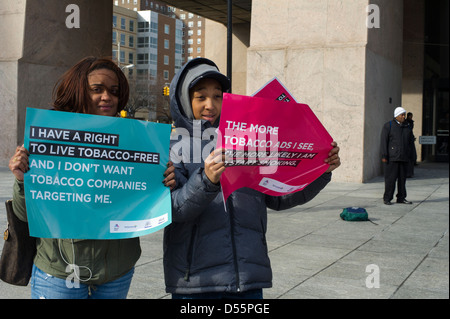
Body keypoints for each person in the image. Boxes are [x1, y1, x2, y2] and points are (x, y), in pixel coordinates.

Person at [164, 58, 341, 299]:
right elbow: (173, 209)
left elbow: (279, 197)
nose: (210, 105)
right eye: (201, 97)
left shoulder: (247, 139)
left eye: (218, 96)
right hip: (196, 283)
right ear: (185, 99)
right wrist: (206, 180)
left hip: (247, 280)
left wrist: (320, 171)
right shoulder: (173, 147)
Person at [8, 56, 175, 299]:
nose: (107, 97)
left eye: (114, 91)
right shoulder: (47, 139)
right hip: (59, 273)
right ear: (78, 91)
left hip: (116, 273)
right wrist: (22, 181)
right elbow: (25, 216)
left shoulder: (137, 141)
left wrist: (164, 182)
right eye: (96, 90)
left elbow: (144, 203)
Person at [380, 107, 415, 205]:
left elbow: (410, 142)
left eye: (404, 114)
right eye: (402, 115)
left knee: (402, 179)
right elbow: (384, 141)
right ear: (396, 115)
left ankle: (401, 198)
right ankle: (387, 198)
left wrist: (412, 156)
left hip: (404, 158)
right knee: (390, 179)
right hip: (392, 158)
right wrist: (384, 155)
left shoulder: (407, 127)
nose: (403, 116)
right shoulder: (388, 126)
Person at [405, 112, 417, 178]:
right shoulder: (406, 123)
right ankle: (408, 173)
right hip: (408, 142)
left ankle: (410, 173)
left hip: (410, 140)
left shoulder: (410, 122)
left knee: (412, 157)